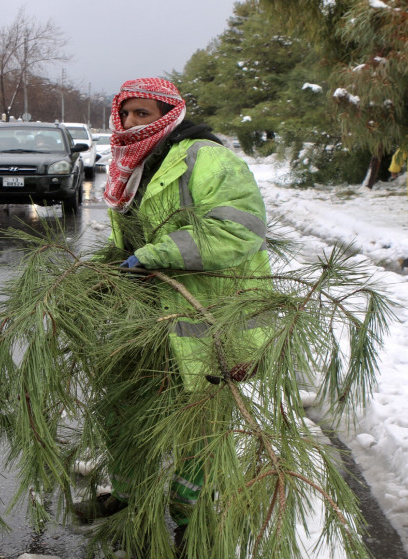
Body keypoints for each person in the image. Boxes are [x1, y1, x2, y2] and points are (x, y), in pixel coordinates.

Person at [75, 77, 271, 553]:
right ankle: (128, 495)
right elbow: (132, 242)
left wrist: (155, 255)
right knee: (123, 412)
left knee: (197, 433)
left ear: (170, 113)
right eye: (126, 114)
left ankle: (192, 521)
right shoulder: (134, 165)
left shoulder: (208, 159)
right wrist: (105, 272)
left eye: (144, 114)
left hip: (209, 321)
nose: (131, 123)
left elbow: (239, 230)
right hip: (148, 319)